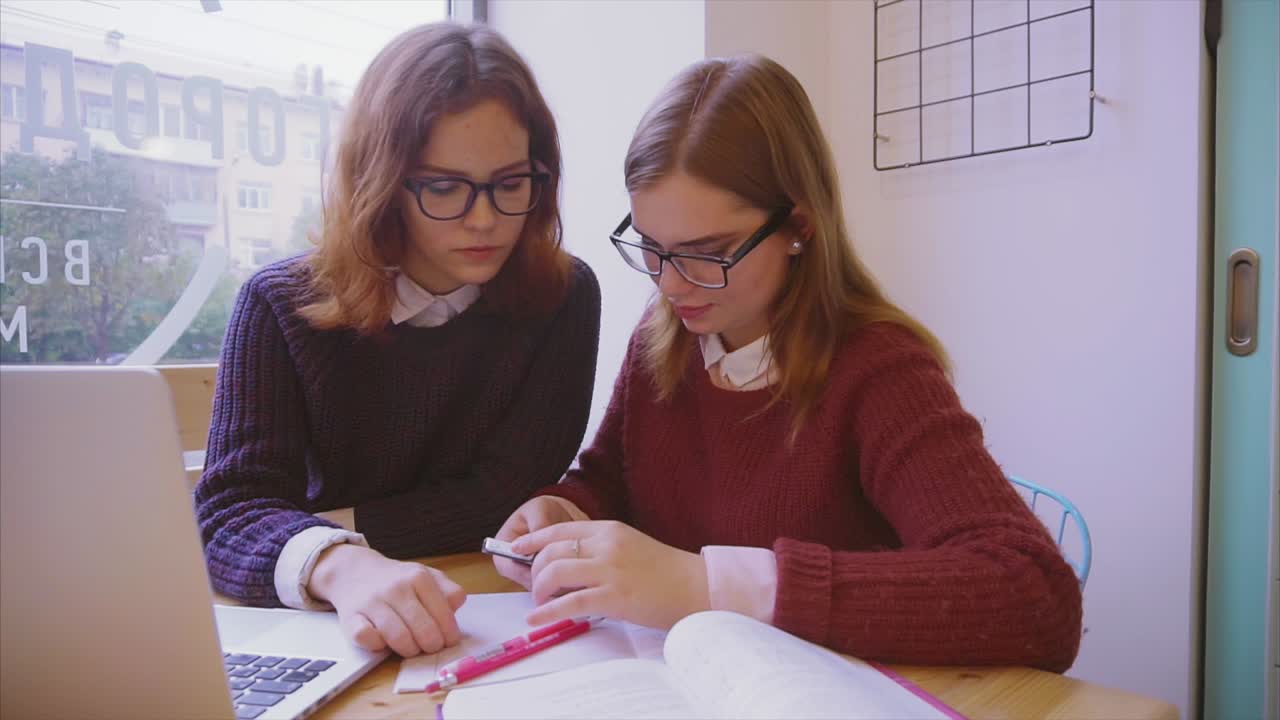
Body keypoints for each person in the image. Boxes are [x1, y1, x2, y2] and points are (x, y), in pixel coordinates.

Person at [493, 55, 1081, 672]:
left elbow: (1035, 597)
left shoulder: (878, 368)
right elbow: (611, 481)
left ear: (797, 226)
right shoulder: (662, 340)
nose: (671, 284)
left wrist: (711, 585)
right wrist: (564, 511)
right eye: (652, 247)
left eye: (707, 252)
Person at [196, 22, 601, 659]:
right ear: (383, 182)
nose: (485, 218)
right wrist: (341, 563)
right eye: (444, 187)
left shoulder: (565, 295)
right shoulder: (281, 304)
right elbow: (227, 512)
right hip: (332, 620)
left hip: (486, 609)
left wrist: (322, 526)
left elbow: (507, 495)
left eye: (510, 183)